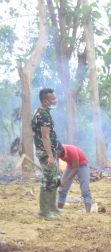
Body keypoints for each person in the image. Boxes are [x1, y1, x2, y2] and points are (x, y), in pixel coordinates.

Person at [32, 88, 61, 220]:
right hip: (45, 152)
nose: (55, 100)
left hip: (49, 150)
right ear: (45, 101)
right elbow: (45, 137)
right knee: (48, 179)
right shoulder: (43, 115)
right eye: (53, 99)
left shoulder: (41, 112)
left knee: (55, 177)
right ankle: (44, 211)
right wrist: (50, 155)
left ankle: (52, 206)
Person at [57, 143, 93, 213]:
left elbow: (76, 168)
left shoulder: (71, 150)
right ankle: (58, 211)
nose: (55, 155)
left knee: (85, 189)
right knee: (62, 189)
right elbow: (56, 165)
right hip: (70, 166)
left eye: (56, 153)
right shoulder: (56, 151)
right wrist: (60, 180)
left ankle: (88, 214)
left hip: (82, 165)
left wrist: (65, 180)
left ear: (60, 150)